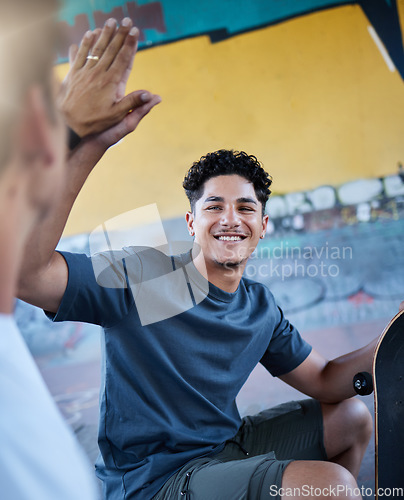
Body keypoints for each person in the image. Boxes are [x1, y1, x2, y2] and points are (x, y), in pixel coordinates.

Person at [17, 18, 385, 500]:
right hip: (155, 480)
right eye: (213, 206)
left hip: (224, 449)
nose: (230, 219)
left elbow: (323, 379)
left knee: (353, 417)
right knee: (331, 488)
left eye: (246, 207)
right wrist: (90, 144)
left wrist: (394, 338)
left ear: (262, 226)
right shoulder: (146, 276)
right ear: (192, 224)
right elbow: (27, 274)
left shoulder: (259, 307)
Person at [0, 3, 160, 499]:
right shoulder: (160, 281)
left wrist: (83, 141)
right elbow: (25, 273)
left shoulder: (257, 305)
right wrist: (67, 130)